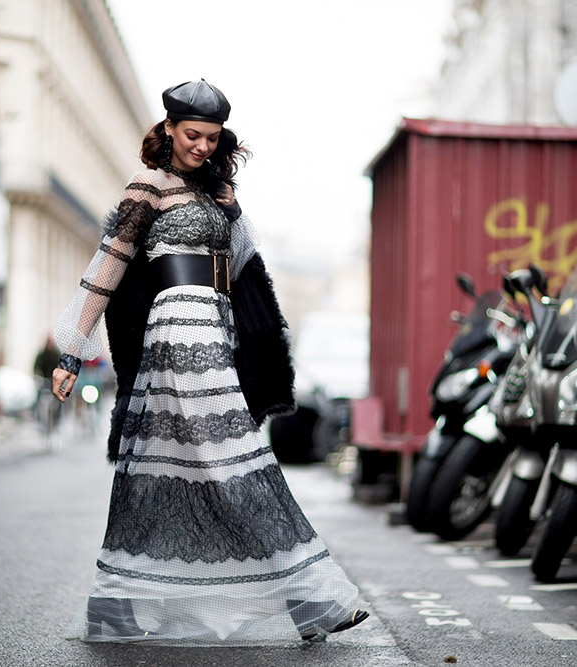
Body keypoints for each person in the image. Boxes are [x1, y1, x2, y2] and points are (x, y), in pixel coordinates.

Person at [51, 80, 368, 644]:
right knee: (239, 459)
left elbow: (246, 261)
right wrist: (71, 353)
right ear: (168, 128)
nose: (200, 146)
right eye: (192, 135)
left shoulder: (216, 191)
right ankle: (310, 598)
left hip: (214, 330)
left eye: (211, 138)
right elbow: (108, 267)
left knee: (154, 472)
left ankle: (116, 608)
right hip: (176, 330)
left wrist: (233, 206)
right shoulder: (147, 185)